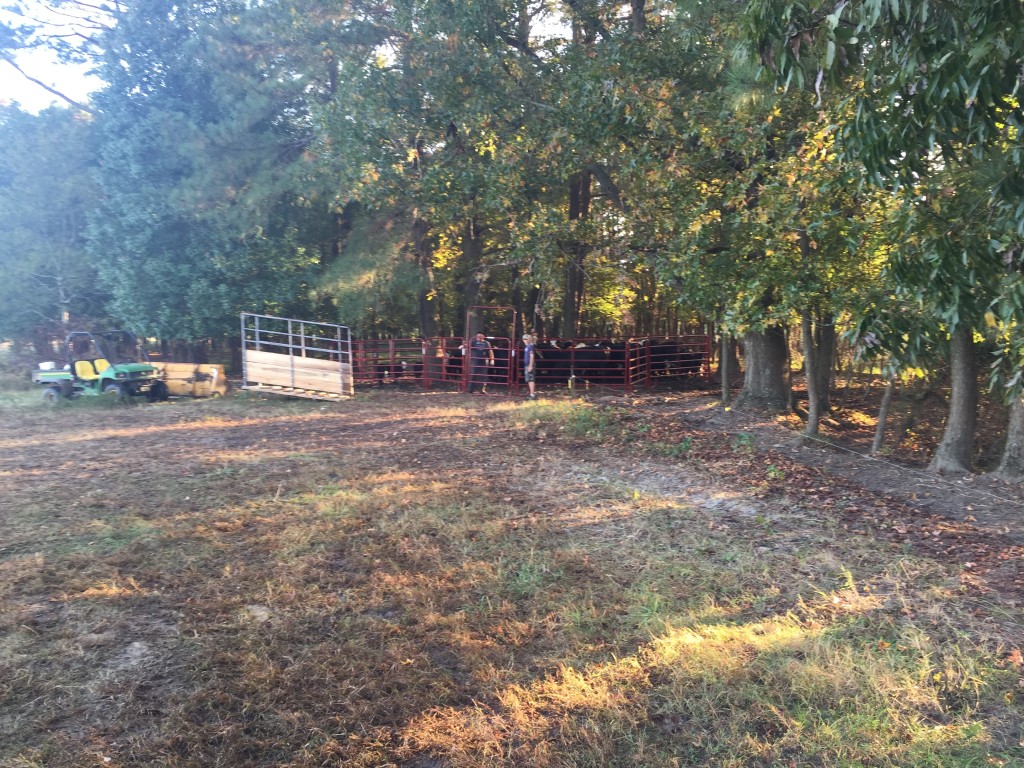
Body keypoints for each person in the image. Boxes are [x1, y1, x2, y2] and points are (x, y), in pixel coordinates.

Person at [522, 333, 538, 400]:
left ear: (529, 339)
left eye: (526, 339)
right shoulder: (527, 346)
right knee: (529, 379)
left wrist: (530, 366)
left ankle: (532, 395)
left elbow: (531, 356)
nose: (524, 340)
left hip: (529, 365)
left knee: (531, 379)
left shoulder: (530, 346)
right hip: (527, 364)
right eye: (523, 339)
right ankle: (531, 394)